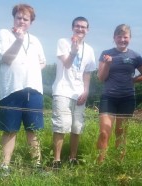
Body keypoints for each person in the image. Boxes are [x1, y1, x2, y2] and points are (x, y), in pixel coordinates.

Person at [0, 4, 46, 173]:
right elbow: (7, 58)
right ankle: (4, 166)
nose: (22, 21)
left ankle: (37, 166)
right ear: (14, 18)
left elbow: (43, 62)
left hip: (34, 90)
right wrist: (19, 40)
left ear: (31, 22)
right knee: (10, 130)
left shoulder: (36, 40)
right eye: (19, 17)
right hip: (11, 89)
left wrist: (31, 69)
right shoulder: (4, 34)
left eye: (26, 19)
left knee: (33, 129)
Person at [96, 24, 142, 163]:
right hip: (108, 98)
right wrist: (107, 64)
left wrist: (134, 80)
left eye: (125, 37)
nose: (122, 39)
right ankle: (99, 166)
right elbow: (101, 78)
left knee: (121, 133)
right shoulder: (106, 54)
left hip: (127, 98)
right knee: (104, 133)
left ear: (130, 38)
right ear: (114, 38)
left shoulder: (135, 56)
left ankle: (118, 165)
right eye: (119, 36)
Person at [51, 16, 96, 169]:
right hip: (62, 90)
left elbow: (87, 73)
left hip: (79, 93)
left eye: (83, 27)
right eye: (77, 26)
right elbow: (67, 64)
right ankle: (56, 161)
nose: (80, 29)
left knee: (77, 127)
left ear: (88, 30)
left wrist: (86, 91)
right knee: (61, 125)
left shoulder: (89, 50)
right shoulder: (63, 42)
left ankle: (72, 158)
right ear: (72, 28)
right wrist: (73, 51)